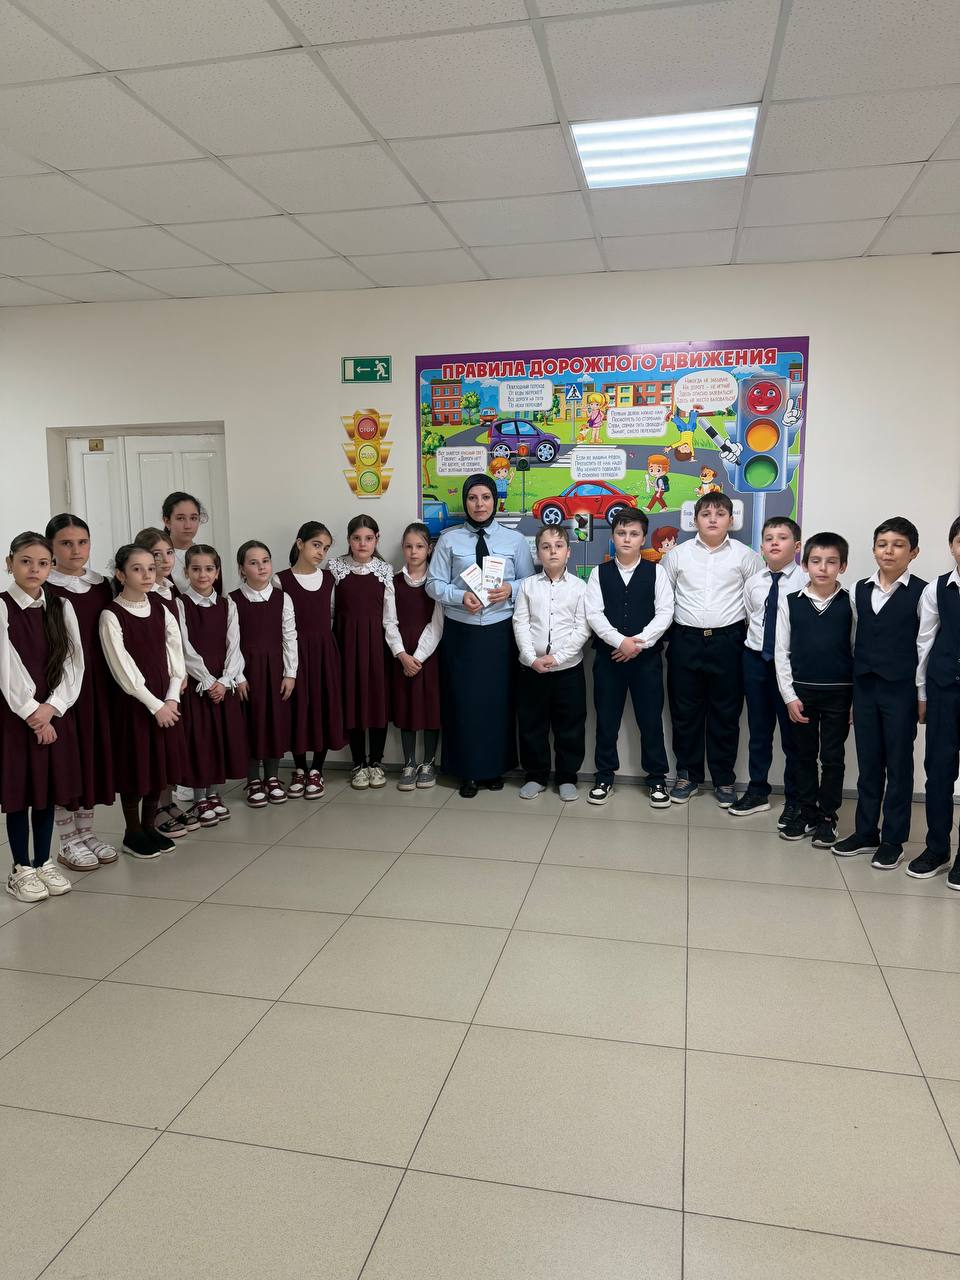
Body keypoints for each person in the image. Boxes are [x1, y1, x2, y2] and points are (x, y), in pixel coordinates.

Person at [426, 473, 535, 797]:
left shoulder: (514, 540)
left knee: (497, 701)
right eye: (472, 498)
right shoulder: (449, 540)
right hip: (462, 632)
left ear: (495, 501)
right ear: (465, 502)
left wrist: (509, 589)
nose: (479, 504)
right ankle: (467, 771)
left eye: (485, 497)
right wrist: (460, 596)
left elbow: (530, 582)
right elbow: (433, 584)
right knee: (464, 702)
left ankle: (495, 768)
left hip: (500, 632)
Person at [832, 517, 926, 868]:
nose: (889, 551)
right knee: (869, 762)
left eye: (898, 545)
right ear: (873, 549)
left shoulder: (923, 592)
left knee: (899, 765)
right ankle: (866, 831)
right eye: (882, 544)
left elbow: (925, 645)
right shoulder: (858, 590)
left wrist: (922, 694)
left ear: (913, 552)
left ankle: (893, 839)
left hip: (901, 690)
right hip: (866, 688)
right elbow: (854, 640)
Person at [661, 492, 764, 805]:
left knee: (726, 713)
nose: (713, 519)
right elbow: (663, 599)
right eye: (706, 514)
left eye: (720, 514)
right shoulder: (676, 556)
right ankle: (687, 775)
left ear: (730, 520)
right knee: (684, 712)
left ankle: (724, 779)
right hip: (685, 640)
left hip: (729, 642)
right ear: (695, 520)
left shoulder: (746, 557)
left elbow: (756, 603)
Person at [2, 532, 83, 902]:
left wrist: (53, 707)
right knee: (20, 791)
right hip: (16, 715)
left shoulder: (61, 606)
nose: (34, 569)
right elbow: (6, 666)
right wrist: (33, 712)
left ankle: (43, 860)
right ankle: (21, 867)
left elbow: (73, 662)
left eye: (43, 563)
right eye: (25, 561)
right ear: (10, 564)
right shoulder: (2, 606)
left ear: (51, 567)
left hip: (54, 710)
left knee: (47, 789)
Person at [99, 544, 187, 859]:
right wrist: (155, 705)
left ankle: (150, 827)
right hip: (136, 704)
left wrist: (172, 698)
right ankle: (132, 832)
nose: (147, 574)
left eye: (151, 568)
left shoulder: (162, 608)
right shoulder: (112, 615)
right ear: (121, 574)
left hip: (166, 700)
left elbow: (176, 655)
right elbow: (123, 669)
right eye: (137, 569)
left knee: (159, 767)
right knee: (136, 767)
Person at [585, 509, 674, 807]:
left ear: (643, 538)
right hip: (608, 658)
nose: (627, 539)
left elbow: (665, 612)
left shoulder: (657, 572)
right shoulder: (598, 573)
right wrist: (620, 642)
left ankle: (657, 778)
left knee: (650, 720)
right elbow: (594, 614)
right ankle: (604, 776)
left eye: (634, 534)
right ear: (613, 537)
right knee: (606, 720)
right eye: (621, 533)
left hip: (646, 661)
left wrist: (638, 644)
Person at [45, 513, 118, 869]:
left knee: (93, 754)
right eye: (66, 543)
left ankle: (87, 832)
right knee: (67, 759)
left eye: (82, 542)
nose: (76, 550)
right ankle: (67, 839)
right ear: (51, 548)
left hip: (99, 682)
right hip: (62, 684)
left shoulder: (104, 585)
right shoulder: (46, 587)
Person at [774, 532, 854, 847]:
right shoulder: (790, 602)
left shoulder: (851, 603)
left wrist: (855, 699)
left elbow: (857, 650)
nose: (823, 568)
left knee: (832, 757)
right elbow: (781, 652)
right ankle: (806, 812)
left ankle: (827, 817)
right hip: (802, 695)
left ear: (842, 566)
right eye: (816, 561)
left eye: (831, 562)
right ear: (805, 564)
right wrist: (789, 696)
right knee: (803, 756)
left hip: (839, 694)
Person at [731, 516, 805, 821]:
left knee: (793, 737)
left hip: (790, 665)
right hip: (756, 662)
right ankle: (757, 790)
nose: (775, 543)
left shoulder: (805, 581)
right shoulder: (754, 582)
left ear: (797, 546)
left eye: (782, 538)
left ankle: (795, 799)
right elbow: (752, 618)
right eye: (769, 538)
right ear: (761, 547)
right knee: (759, 732)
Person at [514, 525, 590, 801]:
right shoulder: (528, 586)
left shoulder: (580, 587)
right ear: (538, 553)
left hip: (568, 671)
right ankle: (535, 775)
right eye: (546, 547)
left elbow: (582, 629)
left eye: (558, 546)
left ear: (568, 552)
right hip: (532, 670)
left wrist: (557, 658)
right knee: (532, 725)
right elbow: (520, 623)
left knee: (570, 726)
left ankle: (567, 777)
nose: (552, 551)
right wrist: (530, 658)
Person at [176, 544, 248, 827]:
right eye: (196, 569)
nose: (202, 574)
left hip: (222, 680)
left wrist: (225, 679)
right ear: (186, 572)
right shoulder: (181, 604)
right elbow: (184, 647)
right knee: (201, 740)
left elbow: (234, 644)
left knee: (220, 737)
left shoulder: (228, 604)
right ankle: (199, 798)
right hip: (199, 682)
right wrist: (206, 680)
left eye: (208, 569)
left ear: (217, 572)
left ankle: (214, 793)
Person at [908, 516, 960, 886]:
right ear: (952, 545)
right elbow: (924, 643)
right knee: (938, 772)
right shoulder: (937, 589)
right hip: (944, 692)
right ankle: (937, 847)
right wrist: (922, 693)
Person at [280, 521, 345, 800]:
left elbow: (331, 614)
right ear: (300, 543)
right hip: (294, 653)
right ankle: (299, 768)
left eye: (326, 548)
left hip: (323, 651)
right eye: (316, 545)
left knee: (322, 705)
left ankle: (317, 769)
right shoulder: (280, 580)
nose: (321, 552)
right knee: (298, 707)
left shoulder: (330, 579)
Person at [231, 540, 297, 808]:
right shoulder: (233, 600)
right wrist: (238, 676)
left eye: (265, 561)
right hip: (247, 671)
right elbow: (231, 642)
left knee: (274, 722)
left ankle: (272, 777)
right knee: (250, 723)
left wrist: (290, 673)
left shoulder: (283, 598)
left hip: (275, 670)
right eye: (253, 562)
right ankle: (252, 779)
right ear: (242, 568)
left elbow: (289, 637)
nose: (261, 567)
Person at [328, 515, 392, 790]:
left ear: (377, 539)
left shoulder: (385, 571)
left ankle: (376, 761)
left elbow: (390, 615)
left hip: (377, 646)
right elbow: (329, 612)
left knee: (377, 701)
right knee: (352, 700)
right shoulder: (336, 569)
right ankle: (358, 763)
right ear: (348, 540)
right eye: (356, 538)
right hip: (346, 645)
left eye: (368, 538)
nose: (362, 544)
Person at [384, 522, 443, 791]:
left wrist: (417, 657)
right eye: (408, 546)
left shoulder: (436, 582)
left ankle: (428, 762)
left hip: (428, 654)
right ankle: (409, 762)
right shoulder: (393, 581)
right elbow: (389, 621)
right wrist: (402, 655)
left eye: (419, 546)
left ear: (429, 549)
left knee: (431, 707)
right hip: (402, 654)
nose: (414, 551)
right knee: (406, 706)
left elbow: (437, 624)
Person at [161, 491, 207, 593]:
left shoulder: (209, 555)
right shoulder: (156, 558)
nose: (188, 526)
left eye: (193, 518)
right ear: (167, 521)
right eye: (180, 518)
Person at [134, 527, 180, 616]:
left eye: (169, 552)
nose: (166, 560)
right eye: (157, 554)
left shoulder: (170, 588)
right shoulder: (141, 595)